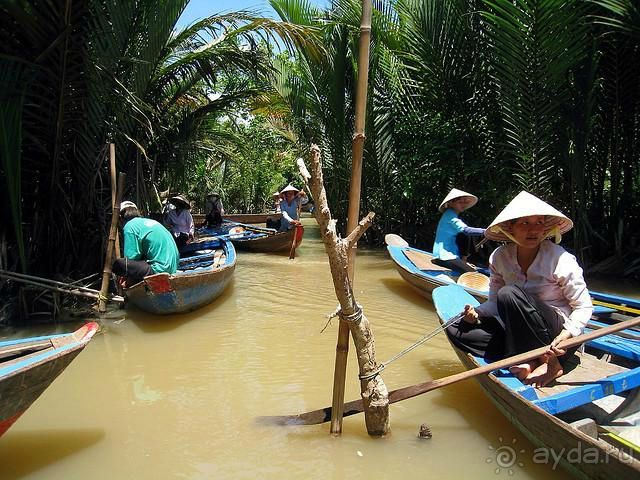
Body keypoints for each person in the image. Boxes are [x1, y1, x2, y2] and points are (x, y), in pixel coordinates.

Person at [448, 191, 593, 387]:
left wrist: (566, 335)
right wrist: (475, 313)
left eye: (539, 222)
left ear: (545, 229)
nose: (533, 229)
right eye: (525, 223)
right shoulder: (499, 257)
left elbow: (583, 307)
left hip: (556, 333)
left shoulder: (560, 259)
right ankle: (527, 357)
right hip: (519, 331)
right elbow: (494, 303)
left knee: (508, 294)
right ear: (510, 228)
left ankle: (551, 363)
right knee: (455, 326)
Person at [112, 201, 179, 287]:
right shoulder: (148, 222)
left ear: (121, 217)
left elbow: (131, 257)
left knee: (119, 264)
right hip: (173, 267)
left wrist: (126, 278)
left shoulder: (129, 226)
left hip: (160, 269)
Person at [432, 188, 486, 272]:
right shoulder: (450, 215)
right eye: (460, 202)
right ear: (451, 203)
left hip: (445, 255)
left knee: (474, 269)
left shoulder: (451, 214)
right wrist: (486, 231)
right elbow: (467, 230)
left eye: (465, 202)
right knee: (473, 274)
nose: (463, 204)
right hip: (445, 256)